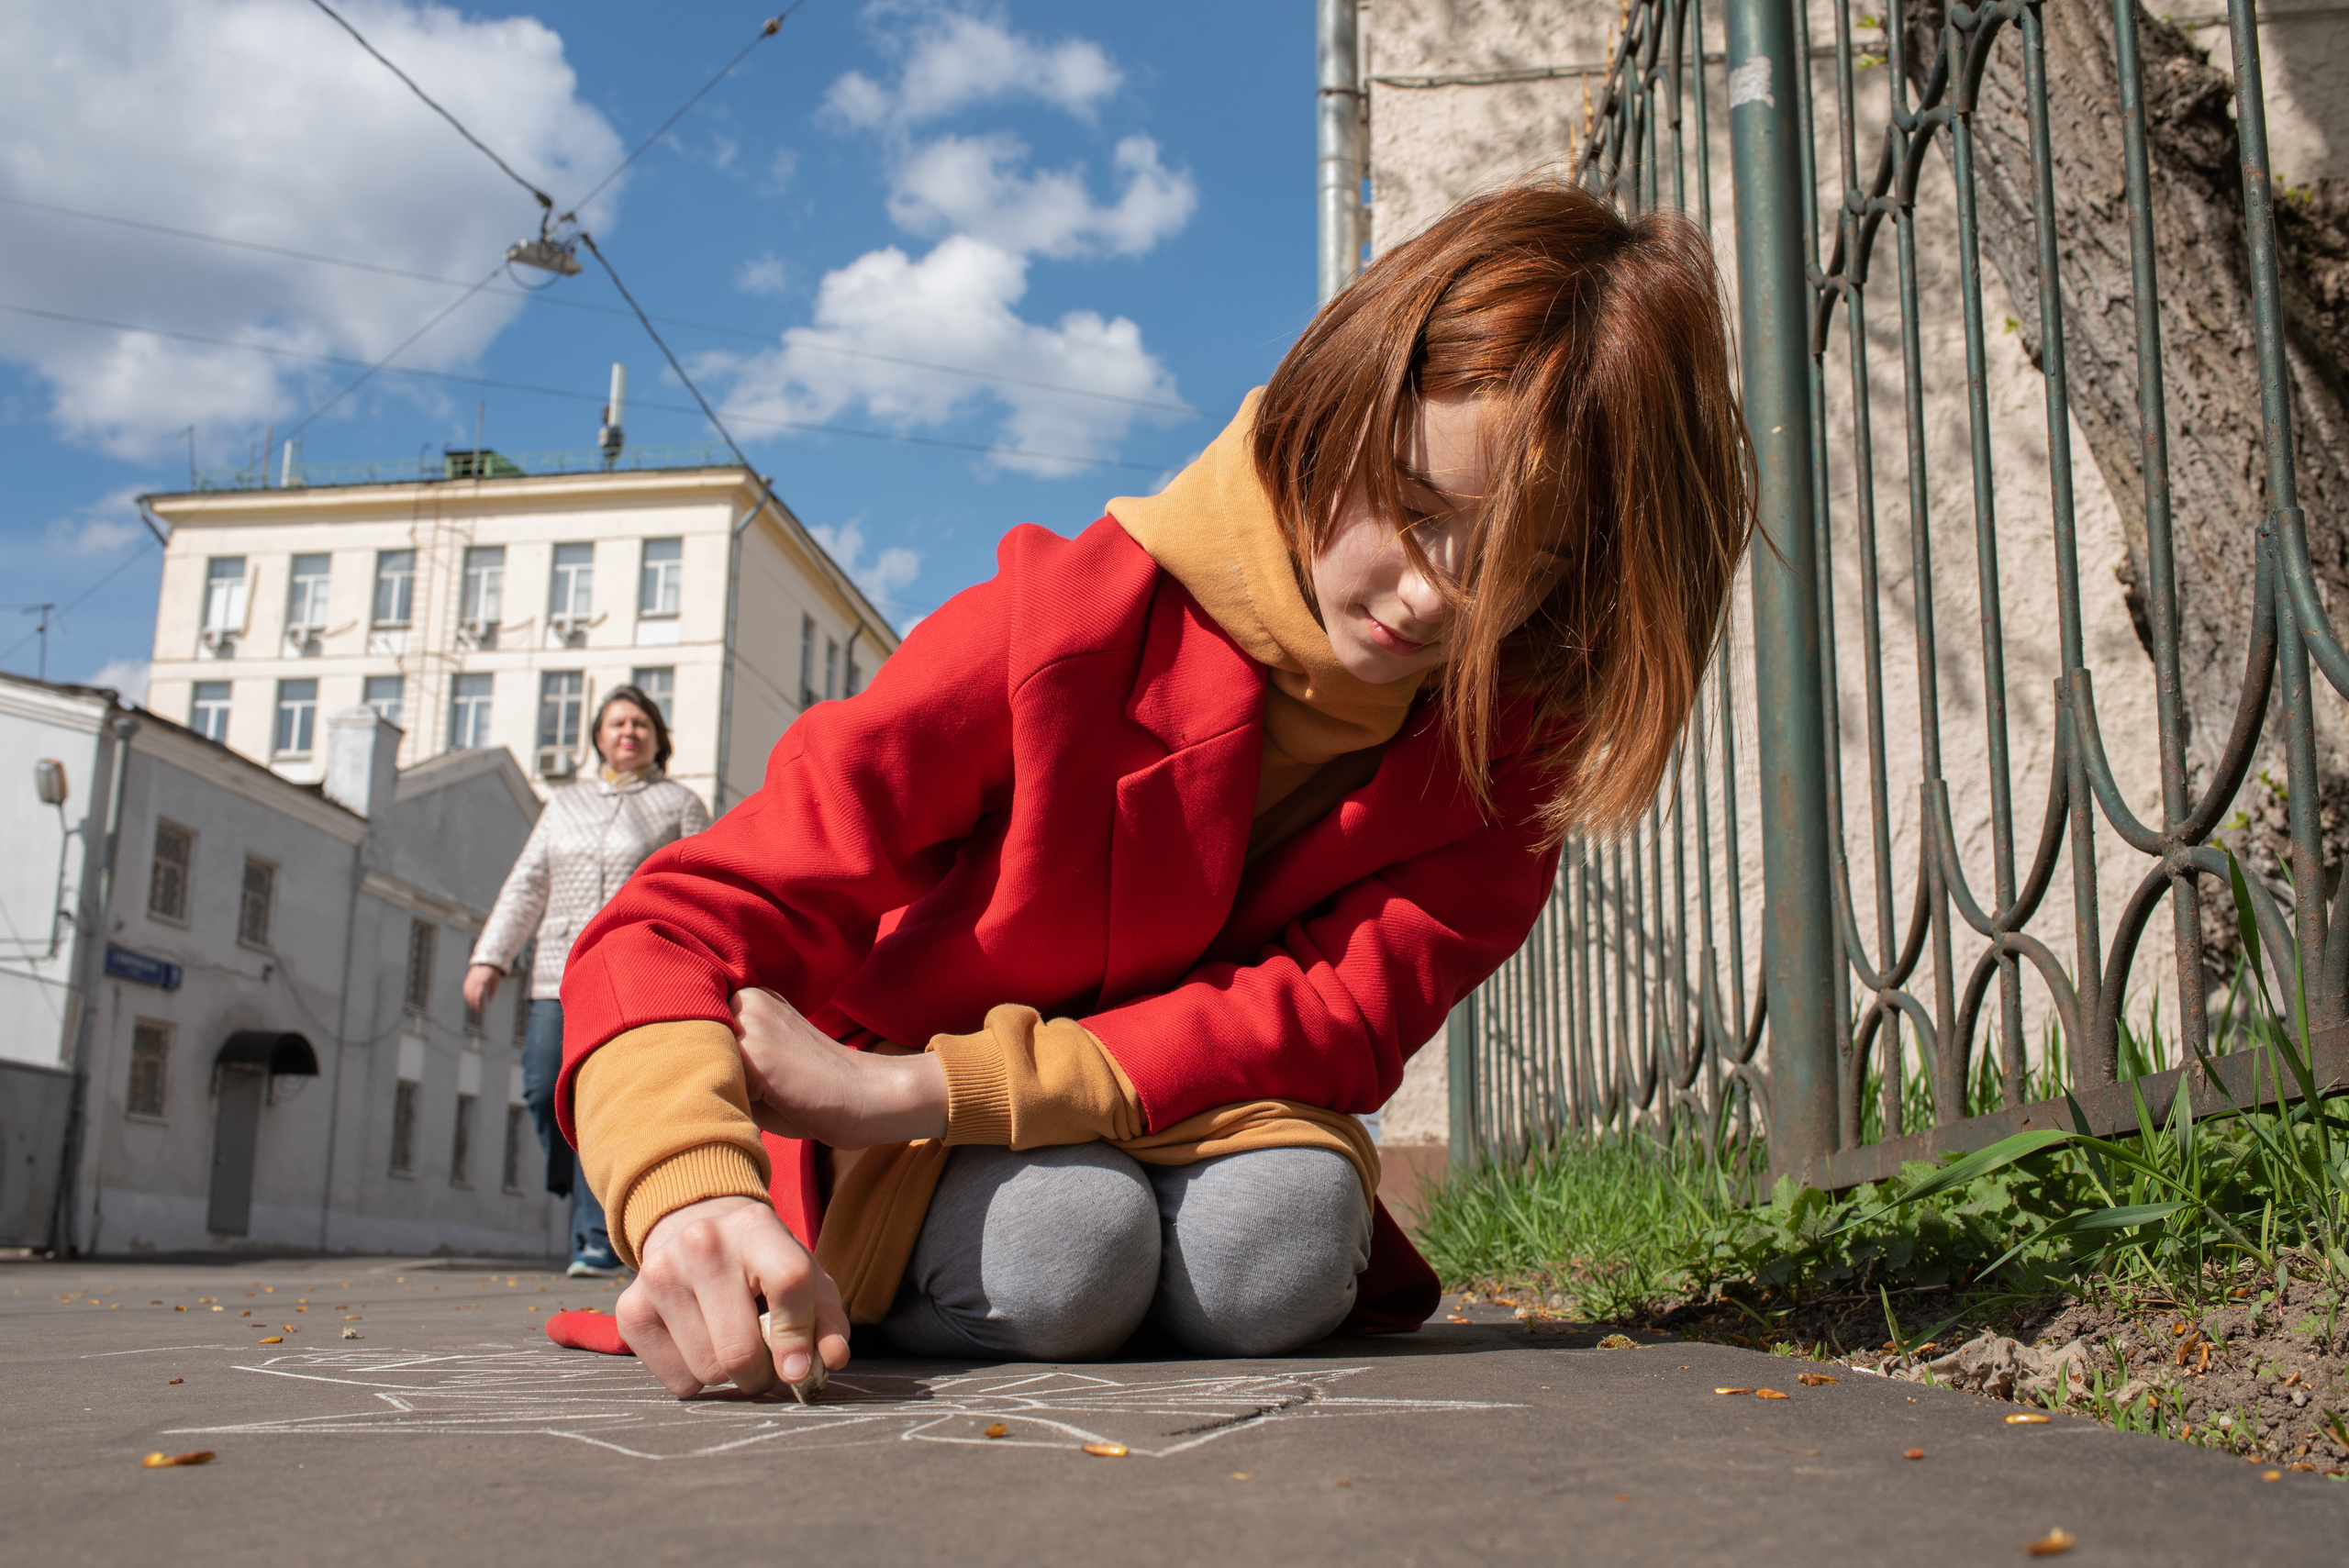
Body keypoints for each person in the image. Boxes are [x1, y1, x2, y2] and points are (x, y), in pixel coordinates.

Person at [555, 184, 1753, 1396]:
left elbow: (1339, 1016)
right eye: (1414, 504)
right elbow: (676, 920)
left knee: (1275, 1247)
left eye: (1520, 559)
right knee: (1068, 1245)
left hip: (1184, 1114)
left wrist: (932, 1082)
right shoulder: (1064, 629)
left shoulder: (1512, 744)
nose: (1437, 594)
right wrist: (689, 1190)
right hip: (910, 1144)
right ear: (1334, 413)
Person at [465, 684, 709, 1276]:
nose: (629, 731)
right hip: (556, 969)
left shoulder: (680, 802)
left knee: (603, 1099)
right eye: (617, 722)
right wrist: (490, 957)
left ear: (657, 736)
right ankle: (575, 1178)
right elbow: (527, 883)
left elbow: (699, 885)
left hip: (631, 970)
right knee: (543, 1087)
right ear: (598, 736)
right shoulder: (565, 803)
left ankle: (595, 1238)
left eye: (640, 723)